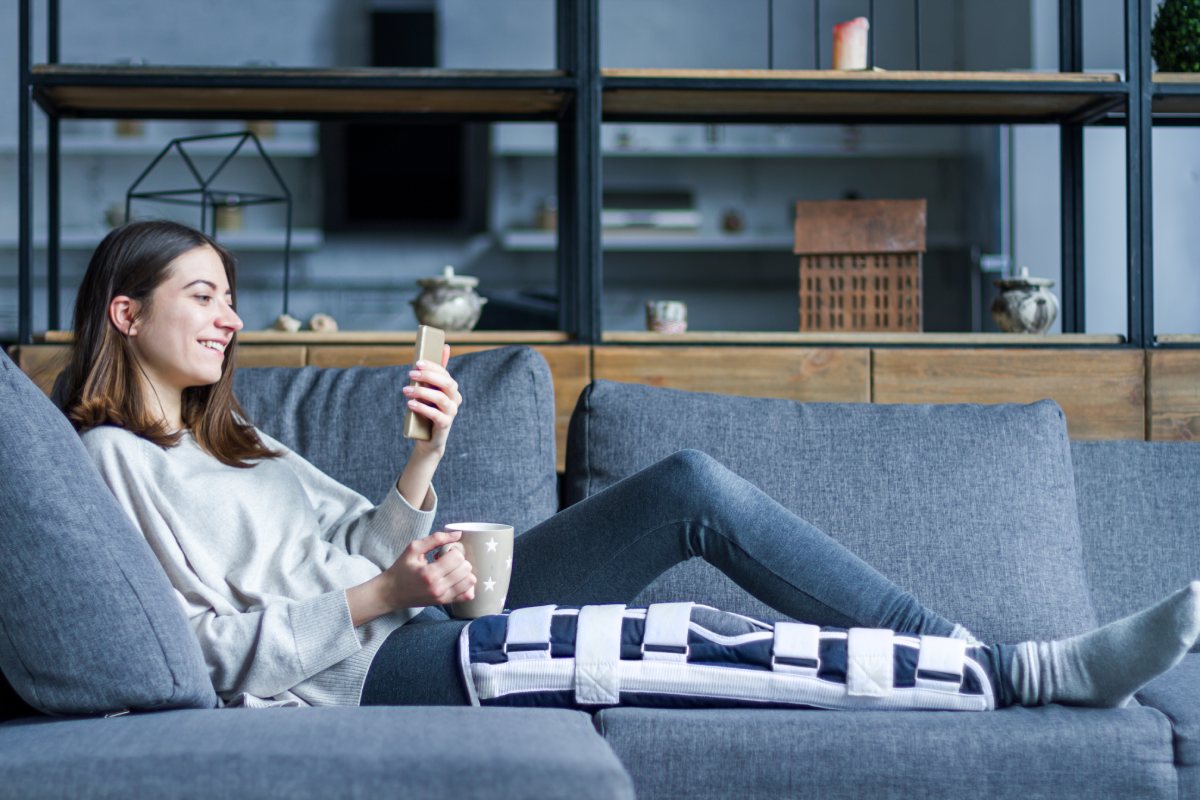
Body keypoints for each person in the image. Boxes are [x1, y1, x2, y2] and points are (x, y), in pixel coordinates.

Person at [64, 219, 1199, 711]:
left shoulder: (237, 437)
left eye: (229, 294)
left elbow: (358, 546)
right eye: (202, 295)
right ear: (128, 311)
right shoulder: (111, 461)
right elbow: (196, 651)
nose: (231, 318)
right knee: (688, 639)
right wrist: (387, 594)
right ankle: (1025, 677)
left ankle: (973, 656)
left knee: (690, 485)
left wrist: (423, 462)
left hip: (411, 620)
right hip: (361, 674)